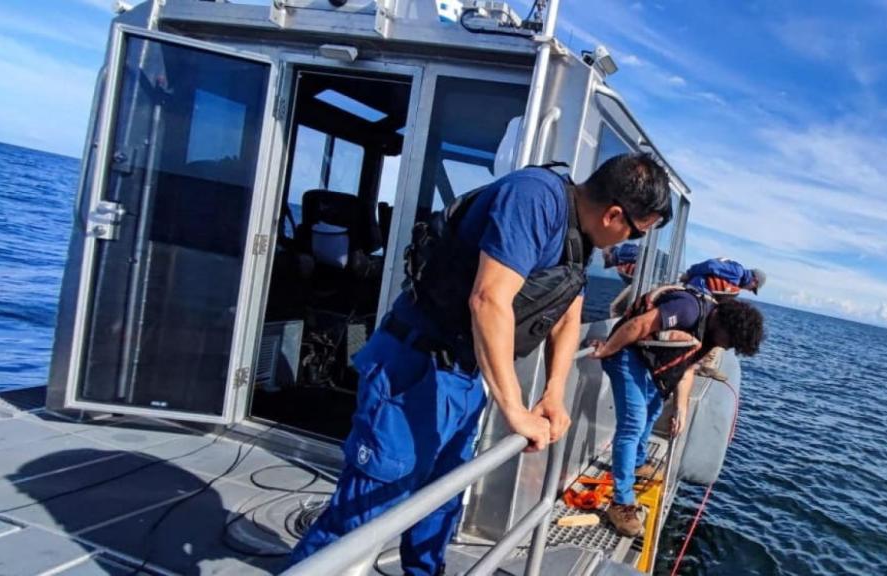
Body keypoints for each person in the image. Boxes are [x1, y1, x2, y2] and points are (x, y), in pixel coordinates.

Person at [289, 153, 673, 575]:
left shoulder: (579, 239)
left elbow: (568, 315)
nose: (629, 242)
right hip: (414, 369)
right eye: (635, 231)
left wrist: (553, 392)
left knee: (440, 502)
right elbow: (488, 300)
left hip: (463, 379)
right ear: (613, 215)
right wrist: (515, 410)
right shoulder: (534, 198)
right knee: (366, 510)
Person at [589, 287, 764, 537]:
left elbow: (686, 367)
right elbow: (639, 325)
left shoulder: (710, 333)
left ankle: (637, 462)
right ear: (725, 326)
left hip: (647, 356)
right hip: (625, 349)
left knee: (653, 408)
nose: (727, 348)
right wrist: (607, 349)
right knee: (633, 423)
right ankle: (621, 503)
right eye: (731, 342)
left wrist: (681, 408)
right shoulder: (688, 309)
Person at [680, 257, 765, 298]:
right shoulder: (738, 272)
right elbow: (710, 265)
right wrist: (689, 274)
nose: (750, 291)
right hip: (696, 290)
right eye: (753, 288)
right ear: (755, 280)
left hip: (701, 295)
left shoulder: (737, 285)